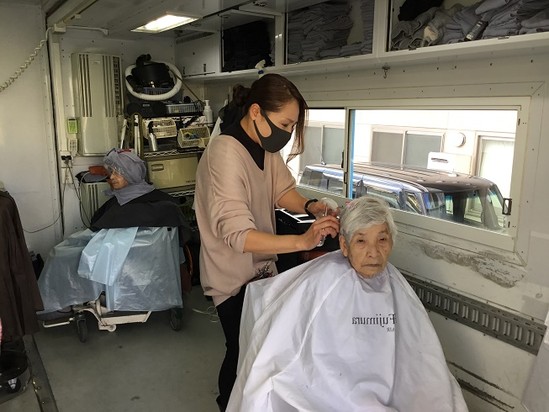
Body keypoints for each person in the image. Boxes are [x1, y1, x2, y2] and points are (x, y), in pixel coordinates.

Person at [227, 196, 468, 411]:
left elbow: (421, 354)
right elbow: (298, 351)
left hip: (392, 385)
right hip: (330, 386)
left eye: (382, 239)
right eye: (361, 241)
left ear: (392, 242)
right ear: (344, 245)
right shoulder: (326, 283)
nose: (373, 252)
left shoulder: (397, 285)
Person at [193, 73, 340, 411]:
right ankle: (229, 404)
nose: (286, 133)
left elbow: (281, 191)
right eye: (284, 124)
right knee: (241, 349)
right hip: (231, 275)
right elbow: (238, 236)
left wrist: (310, 206)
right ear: (256, 111)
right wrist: (302, 240)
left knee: (259, 348)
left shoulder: (265, 147)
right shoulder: (224, 154)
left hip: (260, 269)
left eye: (292, 126)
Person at [38, 149, 191, 314]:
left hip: (123, 252)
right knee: (61, 252)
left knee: (59, 255)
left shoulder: (152, 206)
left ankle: (60, 303)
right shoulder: (150, 200)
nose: (111, 177)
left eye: (118, 173)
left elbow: (103, 230)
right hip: (120, 248)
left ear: (131, 174)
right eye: (111, 172)